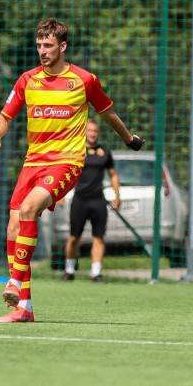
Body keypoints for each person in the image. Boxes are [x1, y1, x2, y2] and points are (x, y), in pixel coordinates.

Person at [0, 18, 143, 323]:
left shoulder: (84, 80)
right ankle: (24, 309)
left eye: (48, 46)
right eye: (39, 45)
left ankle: (14, 282)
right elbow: (4, 117)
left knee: (29, 208)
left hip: (67, 162)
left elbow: (108, 113)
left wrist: (128, 138)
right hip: (32, 163)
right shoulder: (27, 80)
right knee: (13, 228)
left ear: (63, 47)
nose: (42, 51)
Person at [61, 118, 120, 283]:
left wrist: (117, 195)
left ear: (98, 132)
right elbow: (64, 172)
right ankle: (69, 270)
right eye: (90, 131)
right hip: (80, 199)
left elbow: (113, 175)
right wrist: (60, 195)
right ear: (84, 132)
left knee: (98, 237)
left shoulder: (105, 152)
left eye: (95, 131)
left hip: (98, 200)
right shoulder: (76, 150)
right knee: (74, 237)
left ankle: (95, 273)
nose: (92, 134)